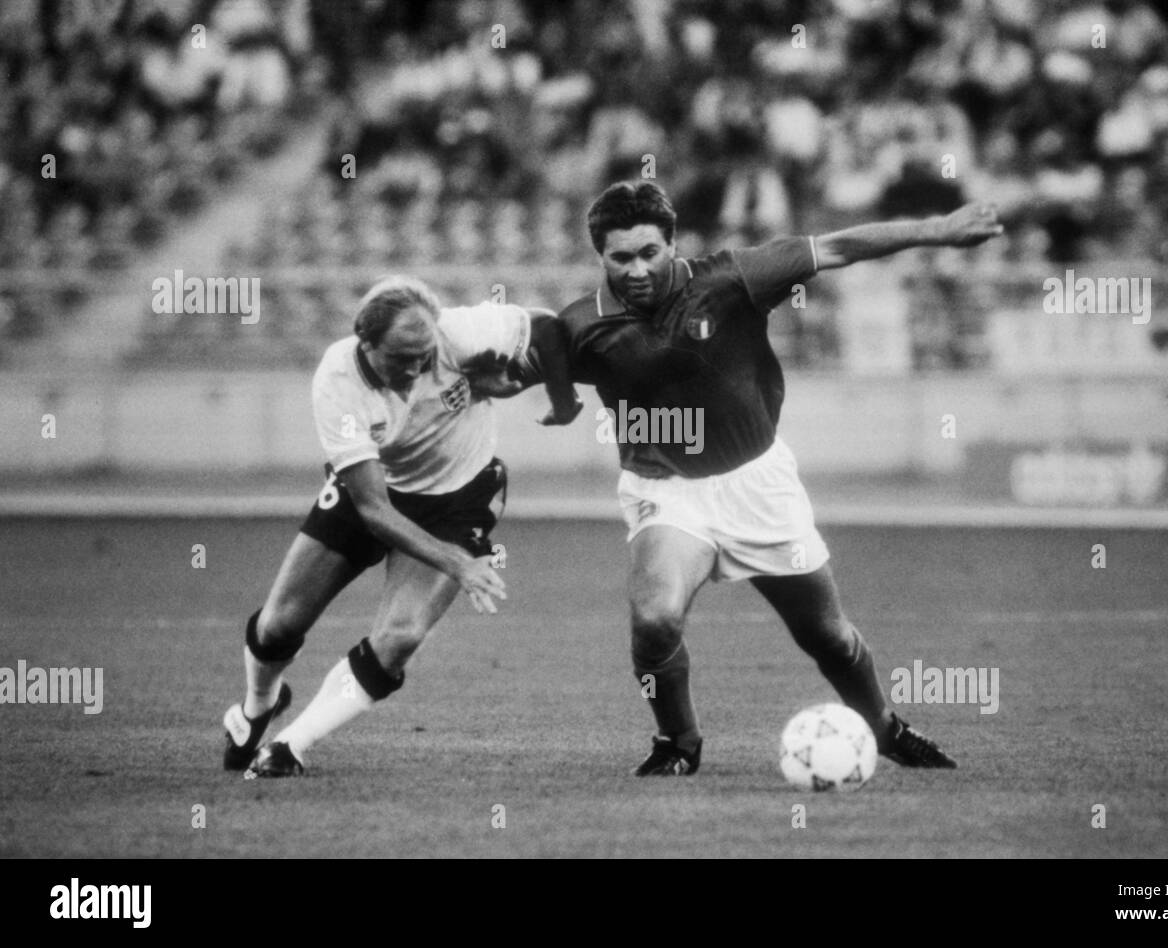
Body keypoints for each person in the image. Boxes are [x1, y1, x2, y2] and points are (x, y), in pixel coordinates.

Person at [550, 181, 1003, 775]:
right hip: (665, 490)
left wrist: (937, 230)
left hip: (759, 485)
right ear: (600, 257)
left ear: (673, 244)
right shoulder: (580, 324)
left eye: (649, 252)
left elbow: (838, 247)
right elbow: (519, 362)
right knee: (655, 619)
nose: (637, 268)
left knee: (829, 638)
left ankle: (884, 729)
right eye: (621, 257)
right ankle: (678, 744)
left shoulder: (733, 278)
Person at [225, 274, 580, 777]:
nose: (416, 369)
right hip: (373, 493)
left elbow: (547, 328)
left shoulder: (458, 333)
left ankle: (289, 745)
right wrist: (457, 563)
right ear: (364, 342)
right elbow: (374, 511)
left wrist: (563, 403)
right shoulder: (338, 383)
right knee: (278, 625)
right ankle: (259, 706)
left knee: (401, 635)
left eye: (425, 354)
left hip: (459, 497)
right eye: (400, 358)